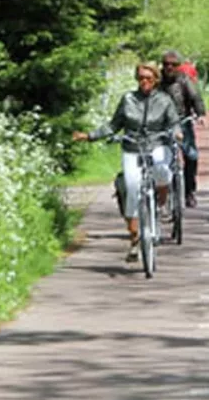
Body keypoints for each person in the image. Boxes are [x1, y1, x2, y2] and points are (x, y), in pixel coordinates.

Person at [73, 63, 182, 262]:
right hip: (132, 147)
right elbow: (114, 125)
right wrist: (89, 136)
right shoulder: (128, 100)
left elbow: (173, 122)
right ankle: (135, 234)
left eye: (149, 78)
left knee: (162, 170)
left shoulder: (164, 100)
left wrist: (177, 132)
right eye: (141, 78)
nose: (144, 82)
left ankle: (160, 204)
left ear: (156, 80)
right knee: (132, 187)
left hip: (158, 144)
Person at [161, 50, 207, 207]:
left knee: (191, 155)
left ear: (178, 66)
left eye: (173, 64)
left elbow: (195, 97)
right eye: (166, 64)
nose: (169, 67)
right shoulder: (157, 81)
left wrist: (200, 113)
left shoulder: (184, 80)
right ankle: (161, 192)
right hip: (162, 124)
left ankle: (190, 192)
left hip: (182, 121)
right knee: (159, 157)